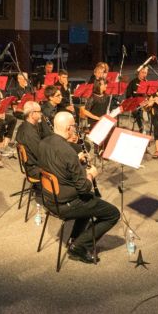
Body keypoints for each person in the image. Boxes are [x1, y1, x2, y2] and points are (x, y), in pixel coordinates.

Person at [38, 112, 119, 264]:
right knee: (113, 214)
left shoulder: (44, 142)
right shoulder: (68, 151)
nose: (75, 129)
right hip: (66, 204)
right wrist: (91, 175)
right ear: (69, 128)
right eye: (74, 126)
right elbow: (84, 188)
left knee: (91, 203)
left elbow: (56, 164)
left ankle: (76, 238)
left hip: (49, 199)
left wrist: (75, 160)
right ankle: (79, 246)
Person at [14, 101, 44, 180]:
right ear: (31, 114)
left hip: (31, 165)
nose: (41, 114)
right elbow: (40, 155)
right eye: (39, 112)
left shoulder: (23, 126)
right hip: (35, 169)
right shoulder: (30, 133)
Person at [125, 66, 149, 133]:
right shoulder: (132, 82)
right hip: (136, 103)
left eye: (145, 73)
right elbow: (128, 95)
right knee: (135, 111)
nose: (144, 74)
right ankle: (141, 127)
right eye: (142, 72)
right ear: (138, 72)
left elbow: (151, 95)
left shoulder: (148, 83)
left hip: (146, 103)